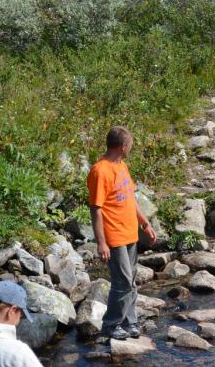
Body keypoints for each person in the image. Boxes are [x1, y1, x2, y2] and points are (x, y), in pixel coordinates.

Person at [87, 126, 157, 340]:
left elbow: (130, 198)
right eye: (130, 145)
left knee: (131, 281)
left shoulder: (122, 166)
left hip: (130, 235)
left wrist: (145, 223)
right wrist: (102, 243)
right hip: (114, 238)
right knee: (123, 282)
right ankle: (110, 325)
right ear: (123, 146)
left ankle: (130, 322)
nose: (131, 149)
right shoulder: (100, 171)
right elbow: (96, 209)